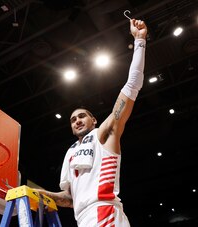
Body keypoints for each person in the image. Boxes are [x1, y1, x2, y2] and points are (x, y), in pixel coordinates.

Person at [36, 18, 147, 226]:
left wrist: (140, 40)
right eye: (72, 119)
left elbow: (133, 84)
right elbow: (70, 199)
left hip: (104, 211)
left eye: (81, 116)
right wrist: (39, 193)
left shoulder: (103, 134)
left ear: (94, 120)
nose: (77, 121)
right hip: (83, 218)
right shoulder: (70, 154)